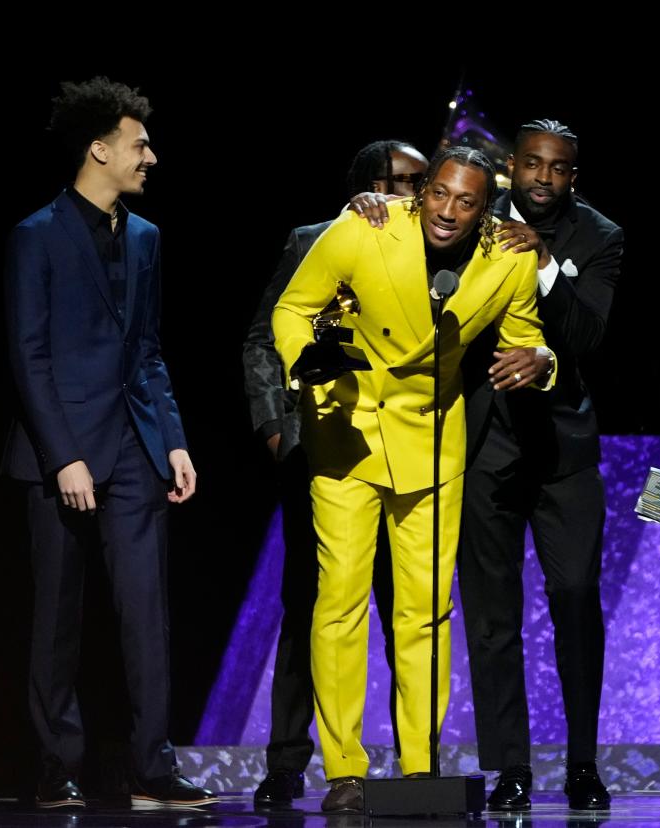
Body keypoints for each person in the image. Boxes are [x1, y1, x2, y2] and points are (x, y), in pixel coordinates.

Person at [272, 146, 554, 812]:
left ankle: (421, 765)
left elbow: (528, 334)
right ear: (422, 190)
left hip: (431, 441)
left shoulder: (507, 260)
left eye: (466, 202)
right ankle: (344, 767)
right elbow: (290, 310)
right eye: (439, 195)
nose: (448, 213)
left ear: (486, 211)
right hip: (347, 430)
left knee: (425, 610)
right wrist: (307, 357)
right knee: (339, 599)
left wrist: (539, 361)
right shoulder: (363, 229)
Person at [1, 77, 217, 810]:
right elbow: (28, 356)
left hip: (133, 447)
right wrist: (63, 455)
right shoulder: (37, 235)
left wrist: (174, 441)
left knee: (146, 610)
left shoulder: (148, 237)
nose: (150, 157)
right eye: (140, 144)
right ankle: (55, 763)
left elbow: (148, 349)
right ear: (99, 148)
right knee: (58, 614)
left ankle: (151, 766)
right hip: (60, 448)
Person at [241, 140, 428, 808]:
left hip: (407, 457)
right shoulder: (316, 240)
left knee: (404, 608)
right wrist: (276, 429)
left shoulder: (436, 245)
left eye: (419, 181)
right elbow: (265, 335)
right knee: (313, 604)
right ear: (363, 187)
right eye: (397, 182)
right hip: (325, 450)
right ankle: (290, 762)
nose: (411, 192)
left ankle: (411, 771)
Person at [457, 119, 622, 812]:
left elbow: (589, 335)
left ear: (573, 176)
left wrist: (547, 266)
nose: (543, 178)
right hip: (485, 443)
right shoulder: (470, 216)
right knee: (492, 617)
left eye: (557, 167)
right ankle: (511, 769)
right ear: (511, 167)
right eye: (532, 163)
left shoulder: (599, 235)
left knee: (576, 598)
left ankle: (582, 763)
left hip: (563, 447)